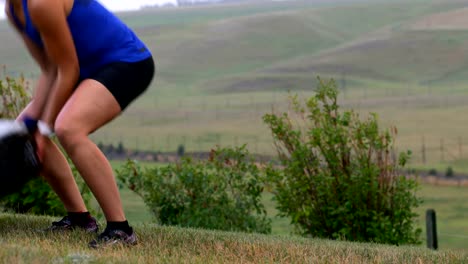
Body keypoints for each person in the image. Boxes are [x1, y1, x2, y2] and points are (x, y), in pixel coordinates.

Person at [4, 0, 155, 248]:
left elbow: (67, 69)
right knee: (24, 134)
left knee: (68, 128)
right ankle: (80, 218)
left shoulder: (42, 4)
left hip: (125, 62)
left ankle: (120, 229)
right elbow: (50, 69)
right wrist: (33, 128)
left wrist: (43, 128)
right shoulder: (14, 10)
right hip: (82, 70)